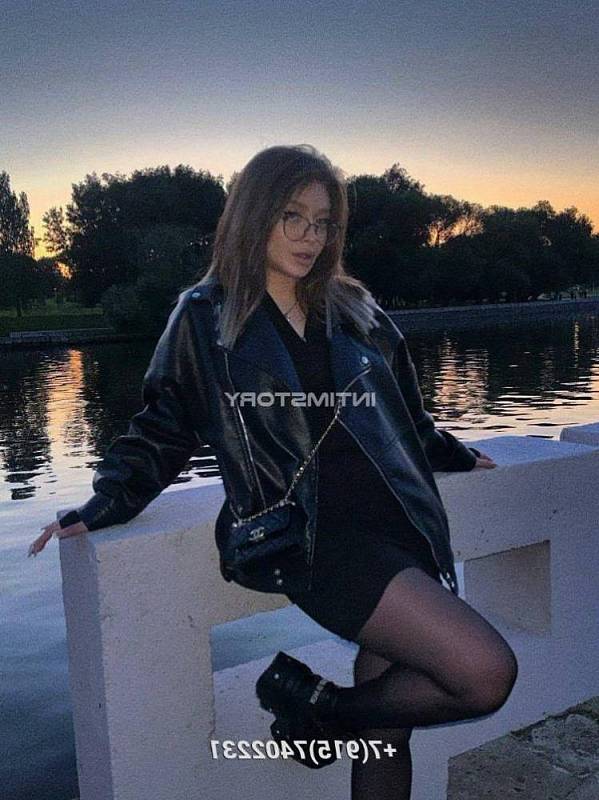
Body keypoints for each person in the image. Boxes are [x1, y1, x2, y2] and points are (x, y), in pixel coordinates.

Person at [29, 145, 516, 799]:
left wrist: (452, 453)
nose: (310, 236)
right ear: (254, 215)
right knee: (484, 672)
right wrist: (106, 502)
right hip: (316, 539)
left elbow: (406, 415)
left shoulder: (356, 310)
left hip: (396, 521)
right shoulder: (208, 316)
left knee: (387, 729)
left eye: (323, 222)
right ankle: (320, 709)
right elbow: (164, 426)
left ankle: (323, 715)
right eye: (293, 217)